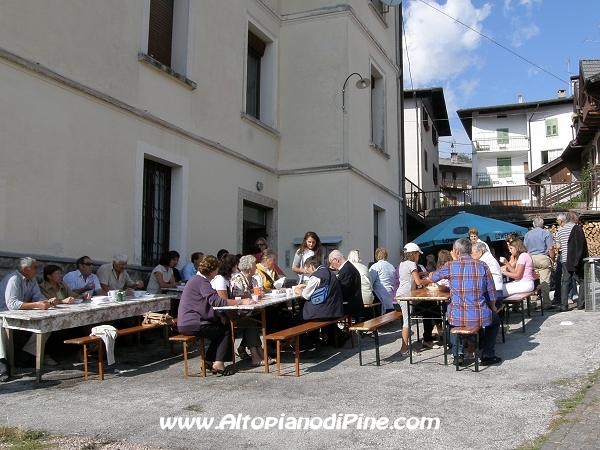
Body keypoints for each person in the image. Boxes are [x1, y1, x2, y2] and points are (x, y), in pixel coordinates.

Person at [177, 256, 255, 376]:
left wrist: (218, 316)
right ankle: (219, 363)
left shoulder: (197, 280)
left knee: (222, 326)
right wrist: (241, 302)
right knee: (225, 330)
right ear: (212, 270)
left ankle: (209, 360)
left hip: (188, 322)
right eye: (216, 270)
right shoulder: (201, 281)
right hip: (192, 323)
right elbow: (217, 301)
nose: (217, 273)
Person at [430, 238, 501, 366]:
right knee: (495, 321)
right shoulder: (482, 265)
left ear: (456, 251)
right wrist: (493, 307)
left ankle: (458, 354)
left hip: (457, 316)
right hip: (479, 314)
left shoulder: (450, 266)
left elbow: (433, 277)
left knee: (451, 323)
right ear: (469, 250)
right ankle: (488, 354)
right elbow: (492, 293)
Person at [212, 255, 274, 367]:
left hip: (243, 311)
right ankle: (258, 355)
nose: (256, 267)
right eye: (254, 265)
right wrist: (248, 297)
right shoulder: (232, 280)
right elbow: (230, 300)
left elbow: (255, 293)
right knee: (250, 322)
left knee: (253, 320)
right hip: (229, 314)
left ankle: (258, 354)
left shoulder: (252, 279)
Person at [0, 258, 57, 378]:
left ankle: (27, 354)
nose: (37, 270)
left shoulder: (32, 280)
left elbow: (37, 296)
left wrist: (47, 301)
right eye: (35, 268)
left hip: (20, 314)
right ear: (25, 269)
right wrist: (37, 305)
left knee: (48, 323)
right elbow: (12, 304)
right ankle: (3, 365)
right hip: (4, 313)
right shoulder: (13, 280)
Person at [293, 255, 344, 350]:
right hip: (334, 309)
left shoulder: (316, 276)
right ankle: (314, 342)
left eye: (308, 269)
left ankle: (308, 345)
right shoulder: (330, 272)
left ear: (312, 267)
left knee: (295, 321)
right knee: (308, 316)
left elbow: (305, 295)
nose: (308, 272)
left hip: (323, 311)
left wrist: (297, 290)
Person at [395, 243, 433, 352]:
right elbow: (418, 281)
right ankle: (404, 349)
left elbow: (409, 275)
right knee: (407, 322)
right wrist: (430, 280)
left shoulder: (402, 264)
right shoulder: (412, 264)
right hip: (406, 295)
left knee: (407, 320)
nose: (418, 257)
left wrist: (421, 273)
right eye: (417, 254)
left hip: (401, 293)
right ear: (413, 254)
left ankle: (405, 347)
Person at [524, 216, 555, 310]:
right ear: (542, 224)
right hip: (543, 257)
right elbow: (550, 248)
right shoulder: (546, 233)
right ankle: (546, 303)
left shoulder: (527, 234)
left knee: (533, 280)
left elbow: (525, 249)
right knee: (545, 281)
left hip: (531, 258)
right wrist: (552, 258)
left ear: (533, 224)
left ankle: (532, 303)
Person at [328, 250, 363, 324]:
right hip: (353, 302)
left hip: (350, 305)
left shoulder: (346, 270)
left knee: (327, 312)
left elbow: (343, 290)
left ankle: (338, 334)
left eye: (331, 263)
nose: (331, 266)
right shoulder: (348, 267)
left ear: (336, 260)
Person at [565, 211, 589, 310]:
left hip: (566, 258)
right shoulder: (577, 229)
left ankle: (563, 304)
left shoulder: (562, 229)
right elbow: (580, 246)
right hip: (576, 259)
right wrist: (579, 260)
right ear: (575, 219)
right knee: (582, 280)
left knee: (565, 281)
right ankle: (581, 303)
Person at [471, 242, 503, 308]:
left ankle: (495, 318)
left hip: (494, 296)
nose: (470, 255)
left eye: (472, 253)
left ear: (479, 252)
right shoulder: (488, 257)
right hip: (496, 293)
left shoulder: (483, 261)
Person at [369, 247, 396, 313]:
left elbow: (370, 281)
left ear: (376, 256)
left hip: (379, 293)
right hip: (390, 293)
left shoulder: (376, 266)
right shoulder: (391, 266)